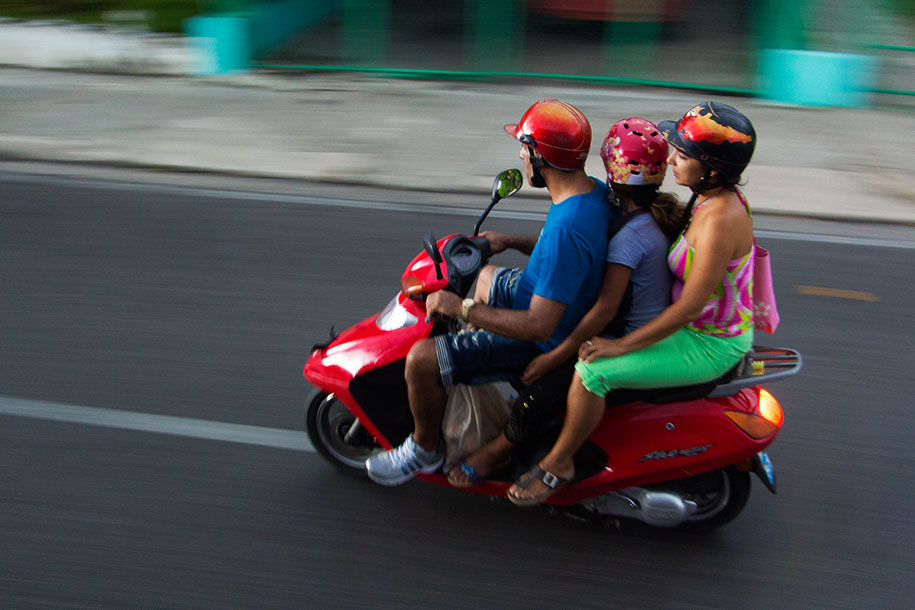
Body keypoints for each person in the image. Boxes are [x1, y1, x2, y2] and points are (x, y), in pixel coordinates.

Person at [507, 101, 758, 506]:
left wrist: (619, 346)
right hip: (697, 328)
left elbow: (690, 308)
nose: (672, 160)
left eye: (683, 156)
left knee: (592, 372)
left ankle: (559, 464)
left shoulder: (720, 220)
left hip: (708, 341)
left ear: (711, 170)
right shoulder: (707, 198)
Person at [365, 98, 619, 485]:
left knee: (419, 359)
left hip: (543, 341)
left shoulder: (567, 228)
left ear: (541, 155)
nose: (520, 155)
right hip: (555, 297)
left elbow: (538, 325)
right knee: (483, 276)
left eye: (524, 147)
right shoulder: (590, 194)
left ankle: (423, 449)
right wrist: (510, 240)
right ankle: (465, 370)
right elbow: (563, 254)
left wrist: (461, 308)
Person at [446, 117, 684, 488]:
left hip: (624, 333)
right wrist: (512, 241)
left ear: (611, 165)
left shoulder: (629, 234)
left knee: (541, 389)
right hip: (620, 320)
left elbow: (605, 309)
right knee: (494, 282)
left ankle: (499, 452)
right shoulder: (618, 207)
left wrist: (555, 357)